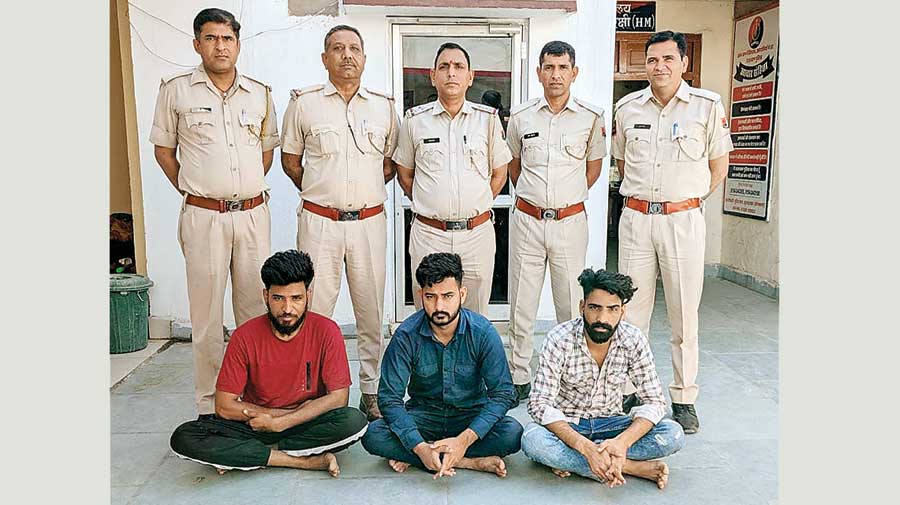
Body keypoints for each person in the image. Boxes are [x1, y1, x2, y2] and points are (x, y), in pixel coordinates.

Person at [149, 8, 279, 418]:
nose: (220, 46)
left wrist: (239, 192)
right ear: (197, 44)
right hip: (204, 218)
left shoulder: (259, 93)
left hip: (253, 216)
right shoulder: (176, 91)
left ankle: (253, 399)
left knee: (255, 312)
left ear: (238, 44)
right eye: (211, 38)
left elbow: (266, 154)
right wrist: (199, 190)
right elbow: (164, 152)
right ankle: (209, 405)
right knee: (206, 318)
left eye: (227, 39)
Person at [611, 30, 734, 434]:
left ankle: (683, 397)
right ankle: (629, 390)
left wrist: (685, 200)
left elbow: (718, 167)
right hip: (636, 219)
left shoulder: (706, 107)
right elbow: (622, 164)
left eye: (668, 59)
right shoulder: (627, 108)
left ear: (684, 63)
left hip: (682, 221)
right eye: (652, 60)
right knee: (630, 313)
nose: (659, 66)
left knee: (683, 314)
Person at [280, 25, 400, 422]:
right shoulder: (304, 104)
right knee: (313, 311)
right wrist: (323, 193)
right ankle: (312, 392)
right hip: (320, 223)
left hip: (368, 222)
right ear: (324, 58)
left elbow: (388, 165)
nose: (347, 55)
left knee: (371, 310)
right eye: (337, 48)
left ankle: (372, 391)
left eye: (354, 49)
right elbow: (291, 162)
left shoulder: (383, 107)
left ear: (364, 58)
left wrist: (358, 196)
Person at [169, 250, 369, 477]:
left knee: (353, 421)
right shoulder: (244, 336)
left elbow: (338, 398)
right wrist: (274, 418)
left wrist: (283, 423)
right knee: (184, 436)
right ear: (266, 296)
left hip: (305, 421)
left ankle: (249, 455)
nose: (287, 309)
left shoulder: (327, 331)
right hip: (256, 424)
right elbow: (224, 406)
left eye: (296, 298)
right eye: (278, 298)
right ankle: (304, 461)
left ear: (308, 295)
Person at [505, 40, 607, 403]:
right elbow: (513, 167)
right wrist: (538, 200)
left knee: (570, 302)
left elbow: (592, 170)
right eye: (549, 67)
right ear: (538, 72)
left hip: (569, 222)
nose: (555, 75)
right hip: (528, 220)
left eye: (563, 68)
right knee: (522, 303)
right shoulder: (521, 117)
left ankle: (568, 375)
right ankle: (519, 375)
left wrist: (563, 200)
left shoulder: (591, 118)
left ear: (574, 73)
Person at [361, 253, 523, 478]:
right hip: (424, 416)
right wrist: (419, 446)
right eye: (431, 297)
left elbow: (503, 394)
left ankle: (433, 456)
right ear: (421, 296)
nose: (439, 306)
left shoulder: (482, 332)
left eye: (448, 296)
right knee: (373, 435)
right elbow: (389, 399)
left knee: (512, 433)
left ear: (462, 294)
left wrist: (464, 440)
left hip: (470, 416)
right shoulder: (406, 335)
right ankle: (467, 462)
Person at [521, 268, 684, 490]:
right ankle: (629, 467)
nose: (602, 319)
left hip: (613, 424)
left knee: (673, 434)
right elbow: (539, 404)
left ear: (622, 311)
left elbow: (654, 401)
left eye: (612, 309)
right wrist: (584, 446)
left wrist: (622, 443)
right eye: (594, 308)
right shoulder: (559, 339)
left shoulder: (633, 339)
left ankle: (578, 461)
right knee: (532, 440)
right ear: (582, 307)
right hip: (570, 425)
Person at [393, 42, 512, 315]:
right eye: (444, 66)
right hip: (429, 234)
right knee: (430, 312)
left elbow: (499, 173)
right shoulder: (415, 120)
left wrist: (475, 204)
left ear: (470, 76)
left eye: (459, 66)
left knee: (474, 314)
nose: (451, 72)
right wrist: (432, 203)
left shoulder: (487, 120)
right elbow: (405, 173)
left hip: (476, 235)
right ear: (432, 75)